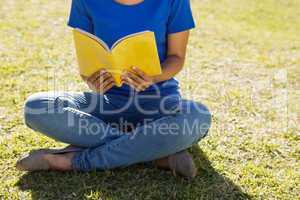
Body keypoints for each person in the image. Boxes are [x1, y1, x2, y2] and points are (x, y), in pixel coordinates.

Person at [16, 0, 211, 179]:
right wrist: (92, 81)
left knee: (198, 116)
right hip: (108, 105)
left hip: (160, 106)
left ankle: (73, 161)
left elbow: (176, 57)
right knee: (36, 107)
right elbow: (87, 60)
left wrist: (153, 77)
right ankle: (153, 153)